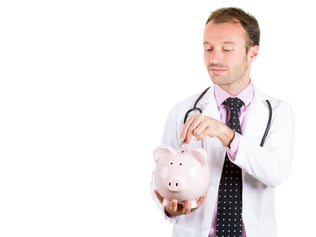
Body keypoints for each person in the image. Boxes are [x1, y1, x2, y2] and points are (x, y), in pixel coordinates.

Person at [152, 7, 295, 237]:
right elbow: (160, 174)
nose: (214, 58)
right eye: (208, 48)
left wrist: (228, 135)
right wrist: (169, 205)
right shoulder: (183, 111)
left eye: (227, 49)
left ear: (253, 53)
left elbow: (275, 172)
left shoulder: (277, 111)